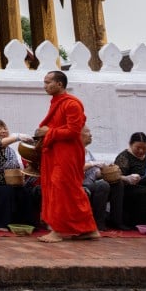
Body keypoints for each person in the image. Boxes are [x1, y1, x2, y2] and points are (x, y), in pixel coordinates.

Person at [34, 70, 99, 242]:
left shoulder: (71, 104)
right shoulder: (57, 102)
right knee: (66, 191)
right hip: (56, 153)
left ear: (60, 84)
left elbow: (73, 131)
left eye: (48, 82)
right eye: (45, 82)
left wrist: (49, 131)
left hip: (67, 154)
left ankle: (58, 231)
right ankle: (88, 229)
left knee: (62, 190)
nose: (45, 86)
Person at [0, 118, 35, 232]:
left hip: (7, 185)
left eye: (5, 128)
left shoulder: (10, 151)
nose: (3, 130)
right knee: (5, 191)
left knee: (24, 191)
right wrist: (16, 137)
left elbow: (15, 170)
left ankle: (24, 224)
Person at [80, 126, 125, 231]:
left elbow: (96, 173)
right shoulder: (73, 150)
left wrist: (107, 171)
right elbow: (77, 168)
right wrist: (93, 163)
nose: (90, 135)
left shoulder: (88, 152)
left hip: (91, 183)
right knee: (102, 185)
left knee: (117, 183)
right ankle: (98, 223)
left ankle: (116, 221)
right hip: (80, 184)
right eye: (87, 132)